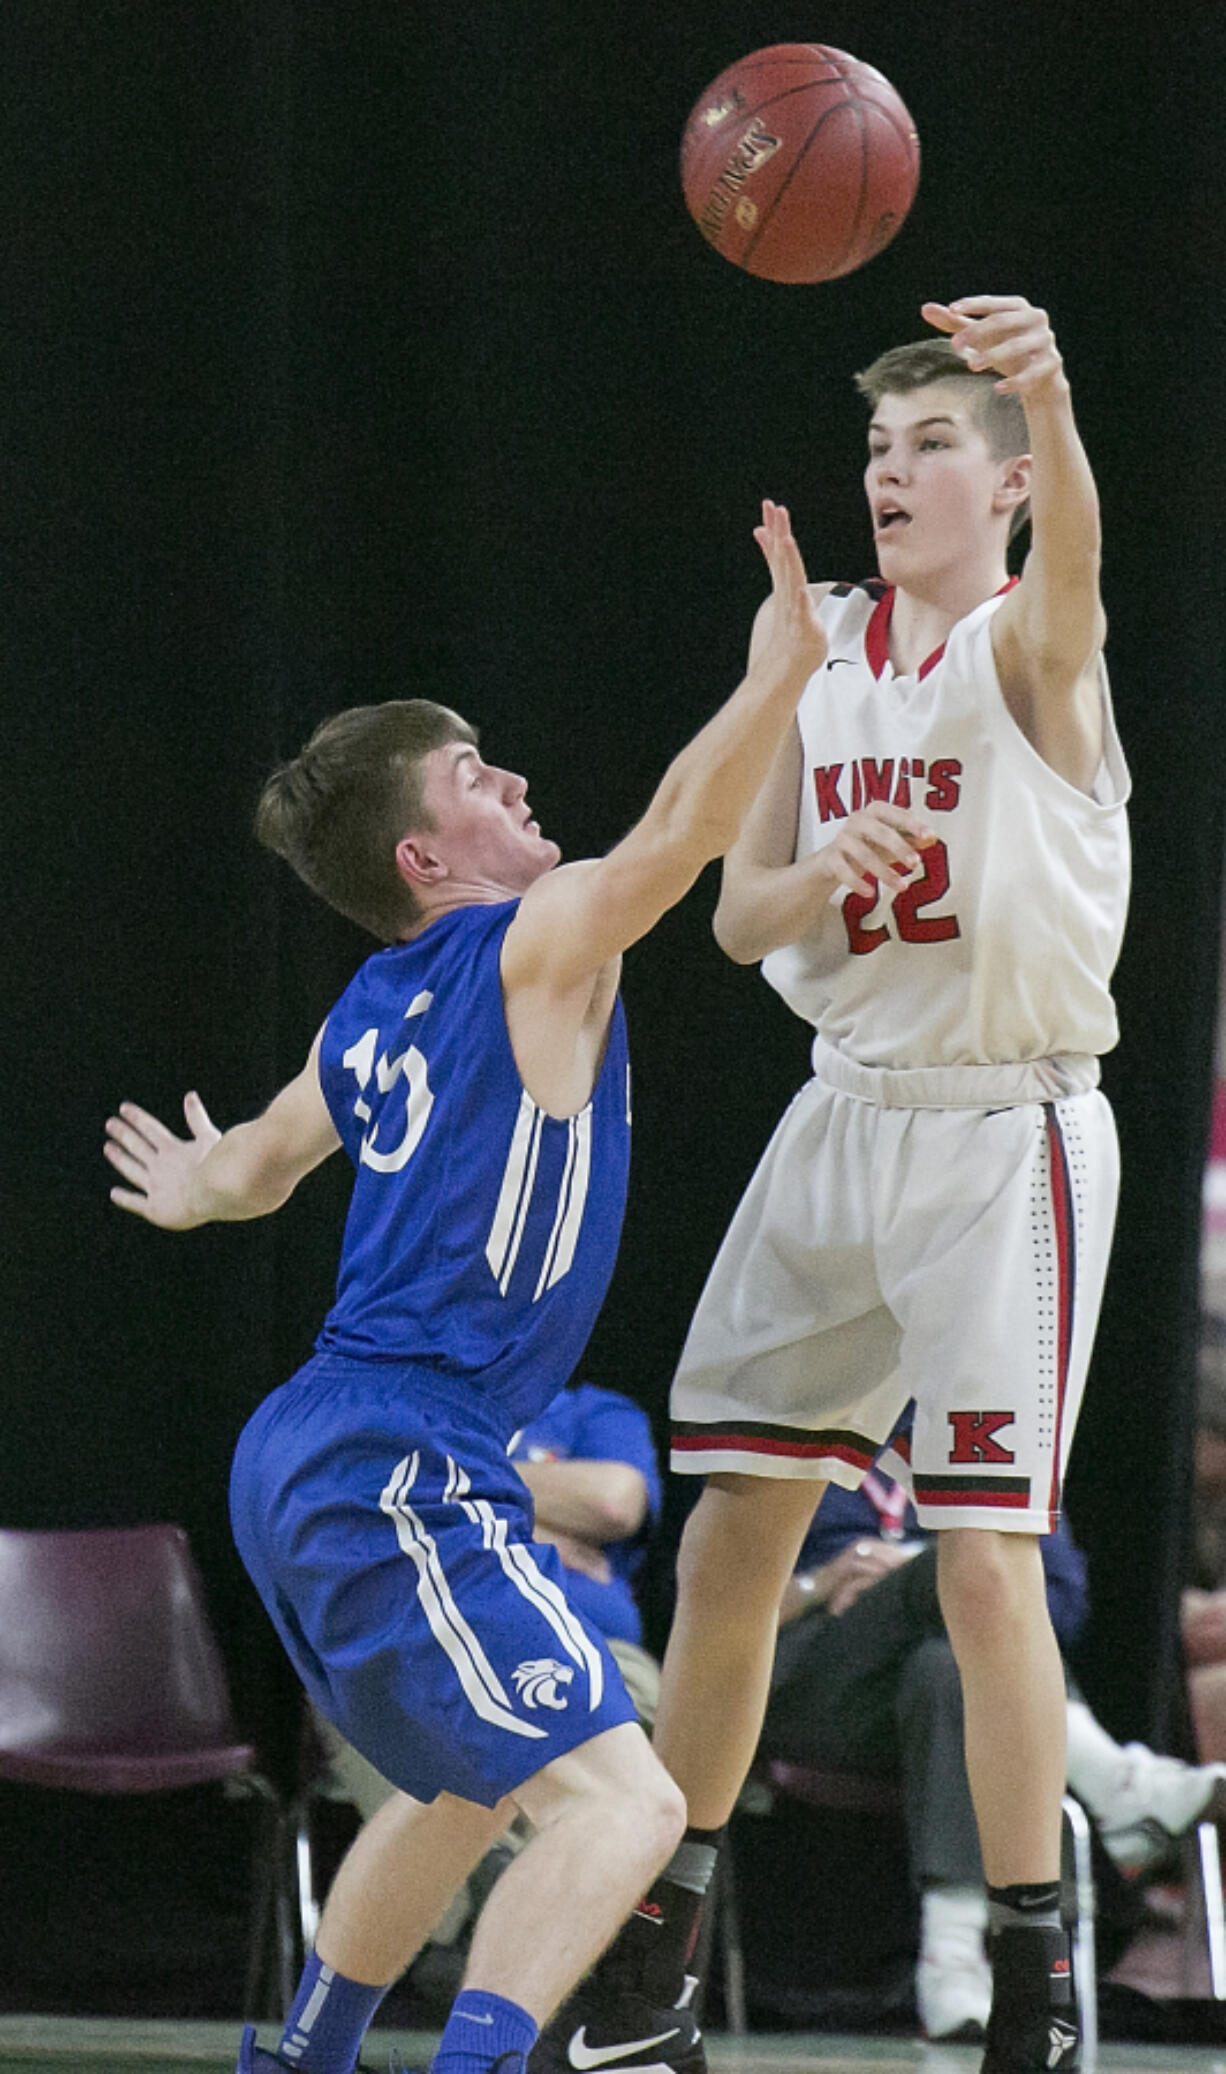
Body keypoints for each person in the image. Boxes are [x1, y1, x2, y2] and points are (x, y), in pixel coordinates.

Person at [102, 499, 825, 2074]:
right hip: (400, 1453)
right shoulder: (531, 940)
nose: (508, 777)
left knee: (466, 1782)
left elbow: (259, 1170)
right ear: (425, 855)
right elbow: (681, 833)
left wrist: (190, 1189)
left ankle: (305, 2054)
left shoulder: (367, 1006)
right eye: (471, 775)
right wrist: (782, 669)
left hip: (320, 1445)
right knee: (627, 1802)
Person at [532, 296, 1129, 2074]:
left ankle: (1032, 1983)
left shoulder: (1036, 640)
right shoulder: (820, 641)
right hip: (840, 1111)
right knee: (728, 1536)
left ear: (1008, 486)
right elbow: (736, 912)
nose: (889, 469)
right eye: (877, 445)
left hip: (1000, 1120)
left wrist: (1049, 393)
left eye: (932, 444)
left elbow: (1083, 563)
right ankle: (659, 1950)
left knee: (982, 1555)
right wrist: (823, 862)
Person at [763, 1415, 1226, 2040]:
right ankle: (1117, 1783)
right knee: (973, 1566)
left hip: (933, 1707)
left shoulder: (985, 1439)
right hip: (808, 1685)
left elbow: (1060, 1598)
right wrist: (825, 1580)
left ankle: (951, 1959)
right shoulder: (804, 1425)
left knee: (949, 1663)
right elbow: (711, 1596)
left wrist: (908, 1569)